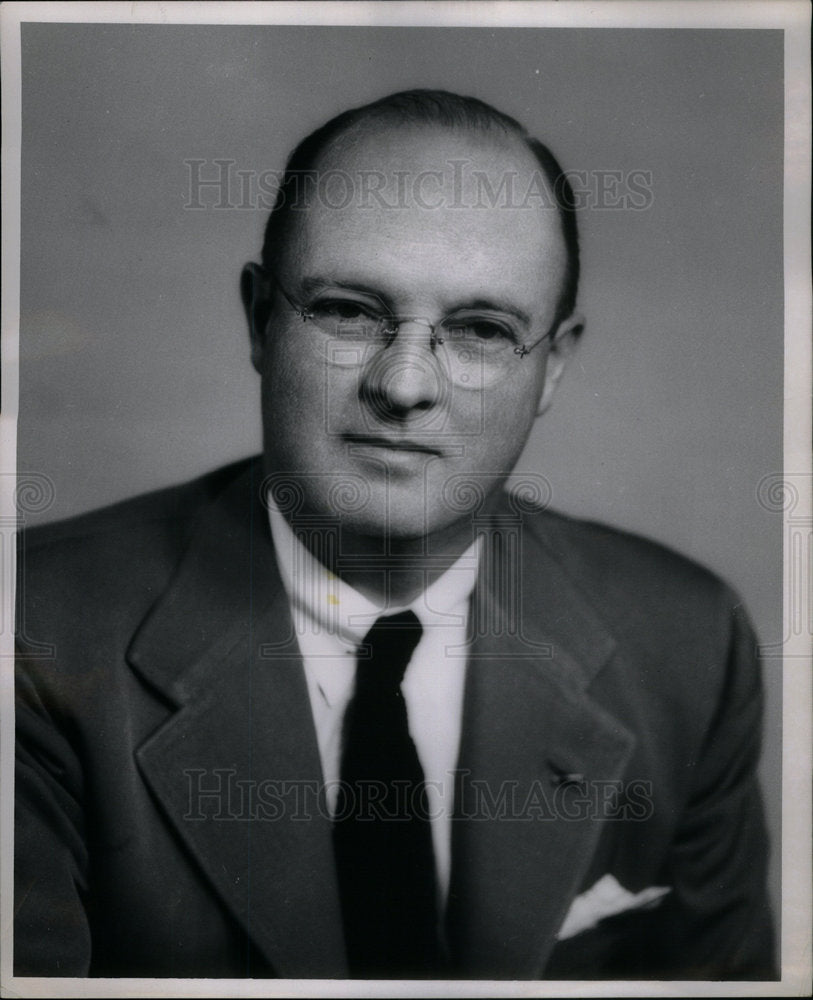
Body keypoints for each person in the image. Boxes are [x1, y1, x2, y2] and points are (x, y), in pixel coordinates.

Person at [14, 89, 775, 980]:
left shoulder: (687, 643)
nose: (405, 384)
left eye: (482, 329)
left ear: (554, 369)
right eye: (347, 310)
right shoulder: (31, 635)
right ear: (261, 319)